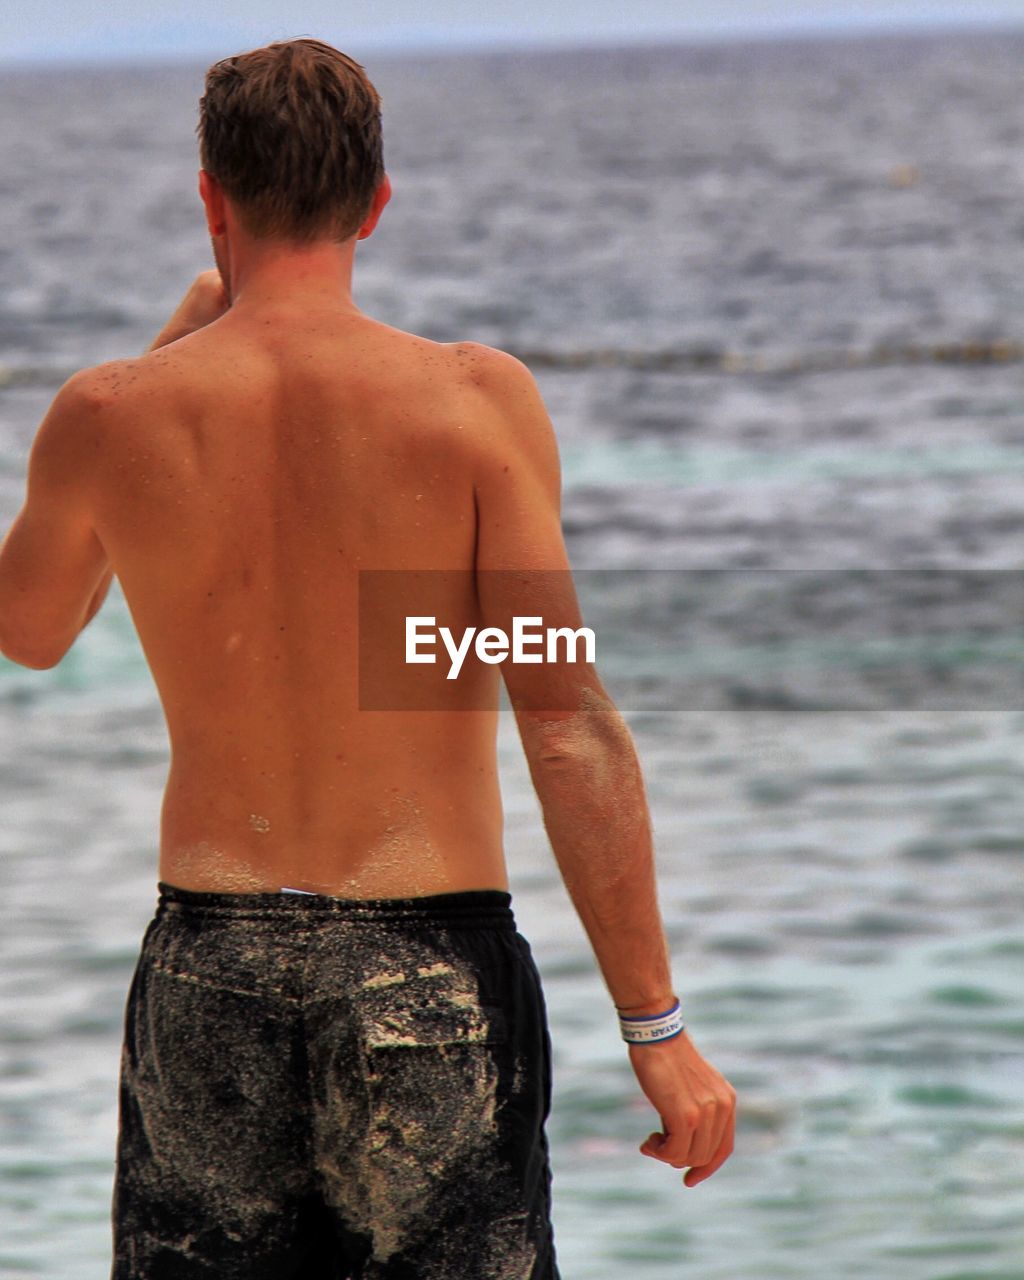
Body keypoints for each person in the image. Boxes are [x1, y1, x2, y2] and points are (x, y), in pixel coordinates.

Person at [0, 36, 736, 1280]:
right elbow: (562, 717)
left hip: (208, 969)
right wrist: (654, 1025)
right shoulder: (469, 403)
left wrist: (178, 335)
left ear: (210, 196)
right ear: (376, 203)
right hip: (428, 972)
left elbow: (30, 628)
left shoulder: (109, 415)